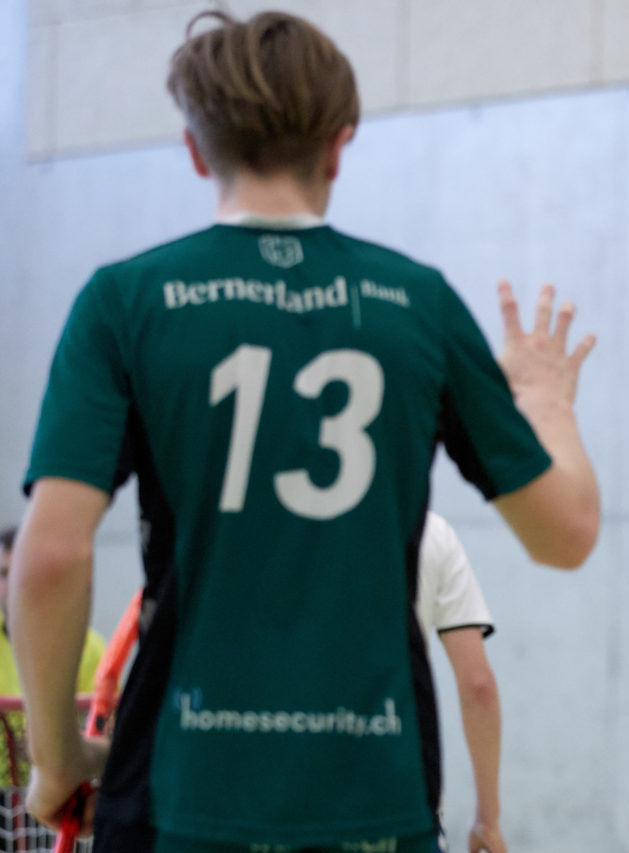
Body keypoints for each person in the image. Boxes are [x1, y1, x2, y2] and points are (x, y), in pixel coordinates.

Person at [9, 9, 598, 853]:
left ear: (193, 148)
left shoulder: (124, 301)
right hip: (377, 797)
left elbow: (53, 556)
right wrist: (547, 400)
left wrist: (58, 762)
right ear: (340, 143)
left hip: (177, 794)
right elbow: (567, 534)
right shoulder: (417, 303)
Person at [415, 512, 506, 853]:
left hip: (266, 796)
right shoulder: (430, 531)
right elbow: (478, 686)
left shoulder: (256, 524)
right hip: (401, 799)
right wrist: (487, 819)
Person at [0, 526, 105, 785]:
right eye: (3, 573)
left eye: (21, 571)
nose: (12, 583)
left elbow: (103, 728)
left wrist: (53, 744)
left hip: (62, 788)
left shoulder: (89, 645)